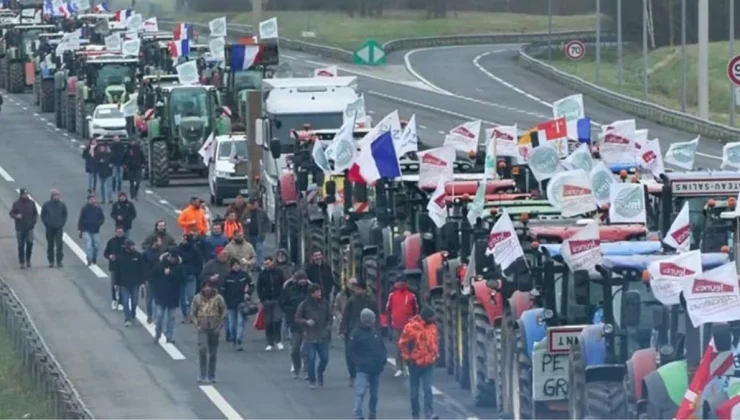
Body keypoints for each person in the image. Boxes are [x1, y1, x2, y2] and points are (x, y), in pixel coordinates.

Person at [399, 307, 440, 420]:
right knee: (414, 391)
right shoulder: (411, 327)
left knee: (427, 389)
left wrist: (435, 355)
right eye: (432, 317)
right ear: (426, 317)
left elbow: (434, 342)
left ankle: (429, 413)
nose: (434, 319)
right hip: (415, 363)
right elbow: (402, 343)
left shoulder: (433, 327)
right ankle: (415, 414)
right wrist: (407, 358)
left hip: (428, 363)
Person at [349, 309, 387, 420]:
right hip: (362, 369)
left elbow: (382, 347)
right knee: (360, 392)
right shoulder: (355, 334)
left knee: (374, 394)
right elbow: (351, 351)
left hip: (376, 369)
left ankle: (372, 413)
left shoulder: (375, 332)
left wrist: (383, 360)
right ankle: (358, 414)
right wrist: (359, 362)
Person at [295, 283, 331, 388]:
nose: (320, 293)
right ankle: (312, 380)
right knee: (311, 359)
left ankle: (320, 372)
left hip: (322, 335)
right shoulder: (304, 304)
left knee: (325, 359)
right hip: (310, 336)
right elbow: (297, 318)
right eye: (317, 291)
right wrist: (306, 322)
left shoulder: (325, 303)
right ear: (312, 293)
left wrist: (327, 328)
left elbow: (330, 317)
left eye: (320, 291)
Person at [340, 281, 376, 387]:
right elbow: (346, 315)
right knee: (350, 354)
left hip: (367, 330)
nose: (357, 291)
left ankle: (366, 377)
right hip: (352, 330)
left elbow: (376, 314)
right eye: (357, 289)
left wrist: (376, 329)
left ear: (364, 290)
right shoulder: (352, 300)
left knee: (367, 354)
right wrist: (342, 330)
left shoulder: (371, 301)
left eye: (360, 289)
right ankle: (352, 376)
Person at [191, 278, 227, 384]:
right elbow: (192, 313)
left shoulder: (218, 298)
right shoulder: (197, 298)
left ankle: (211, 375)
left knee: (213, 353)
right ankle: (202, 374)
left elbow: (224, 312)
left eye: (209, 286)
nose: (207, 289)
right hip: (202, 327)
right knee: (202, 349)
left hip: (214, 327)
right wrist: (196, 324)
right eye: (205, 286)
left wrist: (220, 326)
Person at [280, 270, 311, 378]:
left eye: (304, 279)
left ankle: (307, 370)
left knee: (307, 348)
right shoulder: (289, 291)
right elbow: (283, 304)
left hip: (308, 324)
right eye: (300, 279)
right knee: (295, 348)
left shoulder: (311, 290)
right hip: (294, 323)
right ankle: (297, 367)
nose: (302, 281)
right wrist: (291, 314)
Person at [387, 277, 419, 377]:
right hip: (396, 325)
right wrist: (389, 323)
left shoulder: (411, 296)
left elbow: (416, 310)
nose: (399, 284)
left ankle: (408, 366)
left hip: (409, 327)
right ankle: (399, 368)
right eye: (398, 282)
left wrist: (414, 324)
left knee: (409, 346)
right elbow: (388, 309)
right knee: (398, 347)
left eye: (401, 282)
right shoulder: (392, 295)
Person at [151, 247, 185, 343]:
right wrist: (155, 289)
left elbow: (182, 280)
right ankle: (157, 334)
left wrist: (171, 274)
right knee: (159, 316)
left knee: (171, 318)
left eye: (174, 258)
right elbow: (152, 277)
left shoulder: (179, 267)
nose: (172, 259)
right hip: (161, 295)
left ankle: (169, 336)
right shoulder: (160, 265)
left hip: (173, 296)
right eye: (171, 257)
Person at [220, 259, 252, 350]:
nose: (236, 267)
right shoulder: (227, 277)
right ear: (231, 267)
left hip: (242, 303)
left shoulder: (244, 275)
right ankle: (234, 338)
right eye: (234, 265)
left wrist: (248, 293)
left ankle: (239, 340)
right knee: (232, 325)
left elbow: (251, 285)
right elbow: (223, 291)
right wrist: (225, 301)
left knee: (240, 322)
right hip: (230, 303)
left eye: (238, 265)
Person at [257, 256, 286, 351]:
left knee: (277, 320)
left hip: (277, 299)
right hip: (267, 300)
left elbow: (283, 285)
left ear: (272, 263)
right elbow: (259, 287)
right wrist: (262, 299)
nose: (267, 265)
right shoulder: (262, 274)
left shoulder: (279, 272)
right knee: (268, 322)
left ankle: (278, 340)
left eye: (268, 263)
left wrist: (282, 297)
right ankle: (270, 342)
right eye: (265, 264)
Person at [114, 239, 143, 326]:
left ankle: (133, 311)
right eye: (132, 246)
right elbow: (117, 271)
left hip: (135, 283)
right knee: (125, 301)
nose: (133, 247)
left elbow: (142, 270)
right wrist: (116, 283)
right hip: (124, 283)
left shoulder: (138, 256)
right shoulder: (120, 257)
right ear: (127, 247)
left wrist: (142, 282)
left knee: (134, 301)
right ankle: (127, 318)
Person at [9, 188, 38, 269]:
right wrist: (16, 216)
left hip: (29, 227)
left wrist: (33, 222)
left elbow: (35, 213)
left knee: (30, 243)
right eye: (24, 194)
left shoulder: (31, 203)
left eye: (26, 194)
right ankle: (22, 262)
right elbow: (11, 213)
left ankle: (28, 259)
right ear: (21, 195)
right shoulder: (16, 203)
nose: (25, 196)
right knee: (21, 245)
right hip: (20, 227)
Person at [179, 232, 203, 322]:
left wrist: (196, 272)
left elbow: (199, 263)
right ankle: (185, 315)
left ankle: (191, 315)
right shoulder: (178, 249)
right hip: (181, 277)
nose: (183, 241)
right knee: (183, 298)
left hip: (191, 276)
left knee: (191, 297)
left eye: (185, 239)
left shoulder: (195, 250)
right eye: (183, 239)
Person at [40, 189, 67, 268]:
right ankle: (51, 261)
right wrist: (47, 224)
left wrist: (61, 223)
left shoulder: (62, 205)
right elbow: (43, 215)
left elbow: (65, 215)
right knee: (50, 245)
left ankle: (59, 261)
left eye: (58, 195)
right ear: (52, 196)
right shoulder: (47, 205)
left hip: (59, 228)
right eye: (56, 195)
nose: (57, 197)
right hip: (50, 228)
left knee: (59, 245)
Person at [104, 226, 127, 311]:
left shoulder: (126, 242)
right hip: (113, 266)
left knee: (122, 285)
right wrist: (109, 256)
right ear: (115, 232)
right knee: (114, 284)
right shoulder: (111, 242)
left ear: (123, 232)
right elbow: (106, 253)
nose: (119, 233)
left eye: (121, 232)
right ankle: (114, 300)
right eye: (118, 232)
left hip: (124, 267)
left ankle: (121, 302)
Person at [143, 236, 165, 323]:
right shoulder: (147, 253)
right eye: (159, 241)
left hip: (160, 278)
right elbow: (143, 266)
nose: (161, 243)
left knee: (158, 298)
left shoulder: (162, 252)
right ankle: (149, 315)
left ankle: (156, 316)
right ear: (154, 242)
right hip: (150, 279)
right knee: (149, 298)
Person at [78, 194, 105, 265]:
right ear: (88, 200)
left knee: (96, 245)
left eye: (94, 199)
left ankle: (94, 257)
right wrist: (81, 229)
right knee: (89, 244)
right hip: (86, 229)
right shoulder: (84, 208)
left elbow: (102, 218)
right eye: (91, 199)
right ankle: (89, 258)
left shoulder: (98, 208)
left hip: (96, 229)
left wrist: (99, 223)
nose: (93, 201)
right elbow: (81, 219)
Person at [244, 198, 270, 268]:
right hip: (249, 236)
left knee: (259, 250)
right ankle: (252, 265)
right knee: (251, 251)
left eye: (256, 204)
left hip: (259, 235)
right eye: (252, 205)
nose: (255, 206)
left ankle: (260, 265)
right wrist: (245, 223)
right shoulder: (246, 213)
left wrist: (264, 230)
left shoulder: (262, 212)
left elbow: (267, 222)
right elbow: (241, 222)